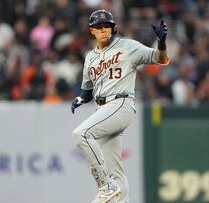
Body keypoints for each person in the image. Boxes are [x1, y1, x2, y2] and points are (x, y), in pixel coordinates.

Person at [70, 9, 169, 203]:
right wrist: (80, 100)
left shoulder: (127, 46)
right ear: (91, 31)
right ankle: (117, 195)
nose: (103, 30)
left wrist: (161, 43)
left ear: (113, 28)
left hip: (121, 103)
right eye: (98, 27)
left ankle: (105, 186)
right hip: (103, 109)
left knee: (81, 134)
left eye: (106, 26)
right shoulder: (90, 57)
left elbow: (160, 58)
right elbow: (87, 91)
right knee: (116, 171)